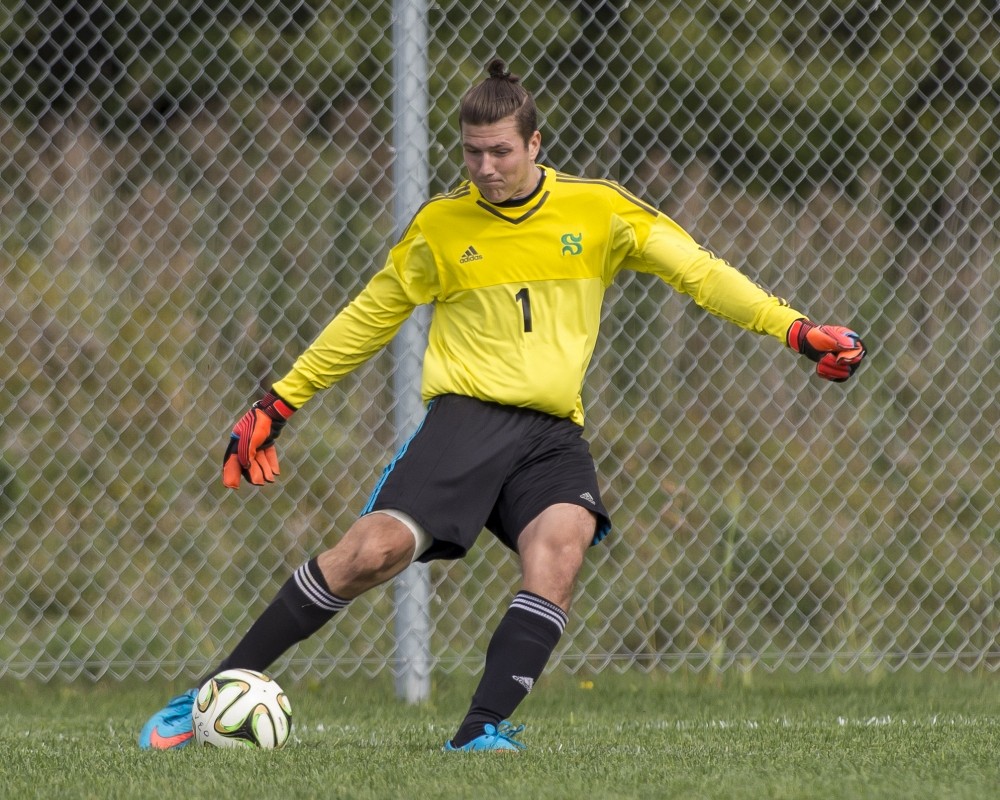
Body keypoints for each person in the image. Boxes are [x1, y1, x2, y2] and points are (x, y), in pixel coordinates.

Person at [138, 58, 866, 753]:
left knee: (561, 549)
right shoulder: (442, 227)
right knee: (370, 553)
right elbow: (367, 317)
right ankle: (204, 695)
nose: (484, 169)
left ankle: (478, 731)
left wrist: (796, 331)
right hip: (464, 422)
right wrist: (278, 405)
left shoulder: (600, 211)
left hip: (551, 434)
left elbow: (702, 274)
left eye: (500, 153)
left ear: (534, 144)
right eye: (471, 154)